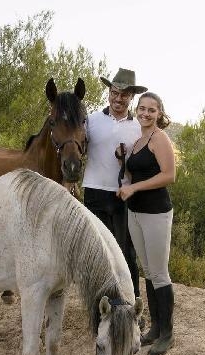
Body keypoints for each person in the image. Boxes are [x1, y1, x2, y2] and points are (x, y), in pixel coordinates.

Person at [116, 92, 176, 355]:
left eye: (152, 110)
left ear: (159, 113)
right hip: (136, 213)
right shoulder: (138, 140)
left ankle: (167, 334)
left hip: (156, 213)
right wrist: (123, 162)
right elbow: (136, 172)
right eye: (142, 108)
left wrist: (135, 187)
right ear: (136, 110)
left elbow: (169, 175)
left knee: (160, 273)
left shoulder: (159, 138)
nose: (146, 113)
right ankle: (155, 328)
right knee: (149, 273)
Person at [82, 68, 146, 306]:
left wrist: (125, 161)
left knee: (126, 252)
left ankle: (132, 304)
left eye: (124, 95)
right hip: (93, 192)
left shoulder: (139, 128)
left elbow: (142, 165)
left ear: (132, 98)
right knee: (96, 251)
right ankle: (99, 304)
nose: (118, 99)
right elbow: (75, 148)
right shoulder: (91, 120)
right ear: (109, 92)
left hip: (123, 195)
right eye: (114, 93)